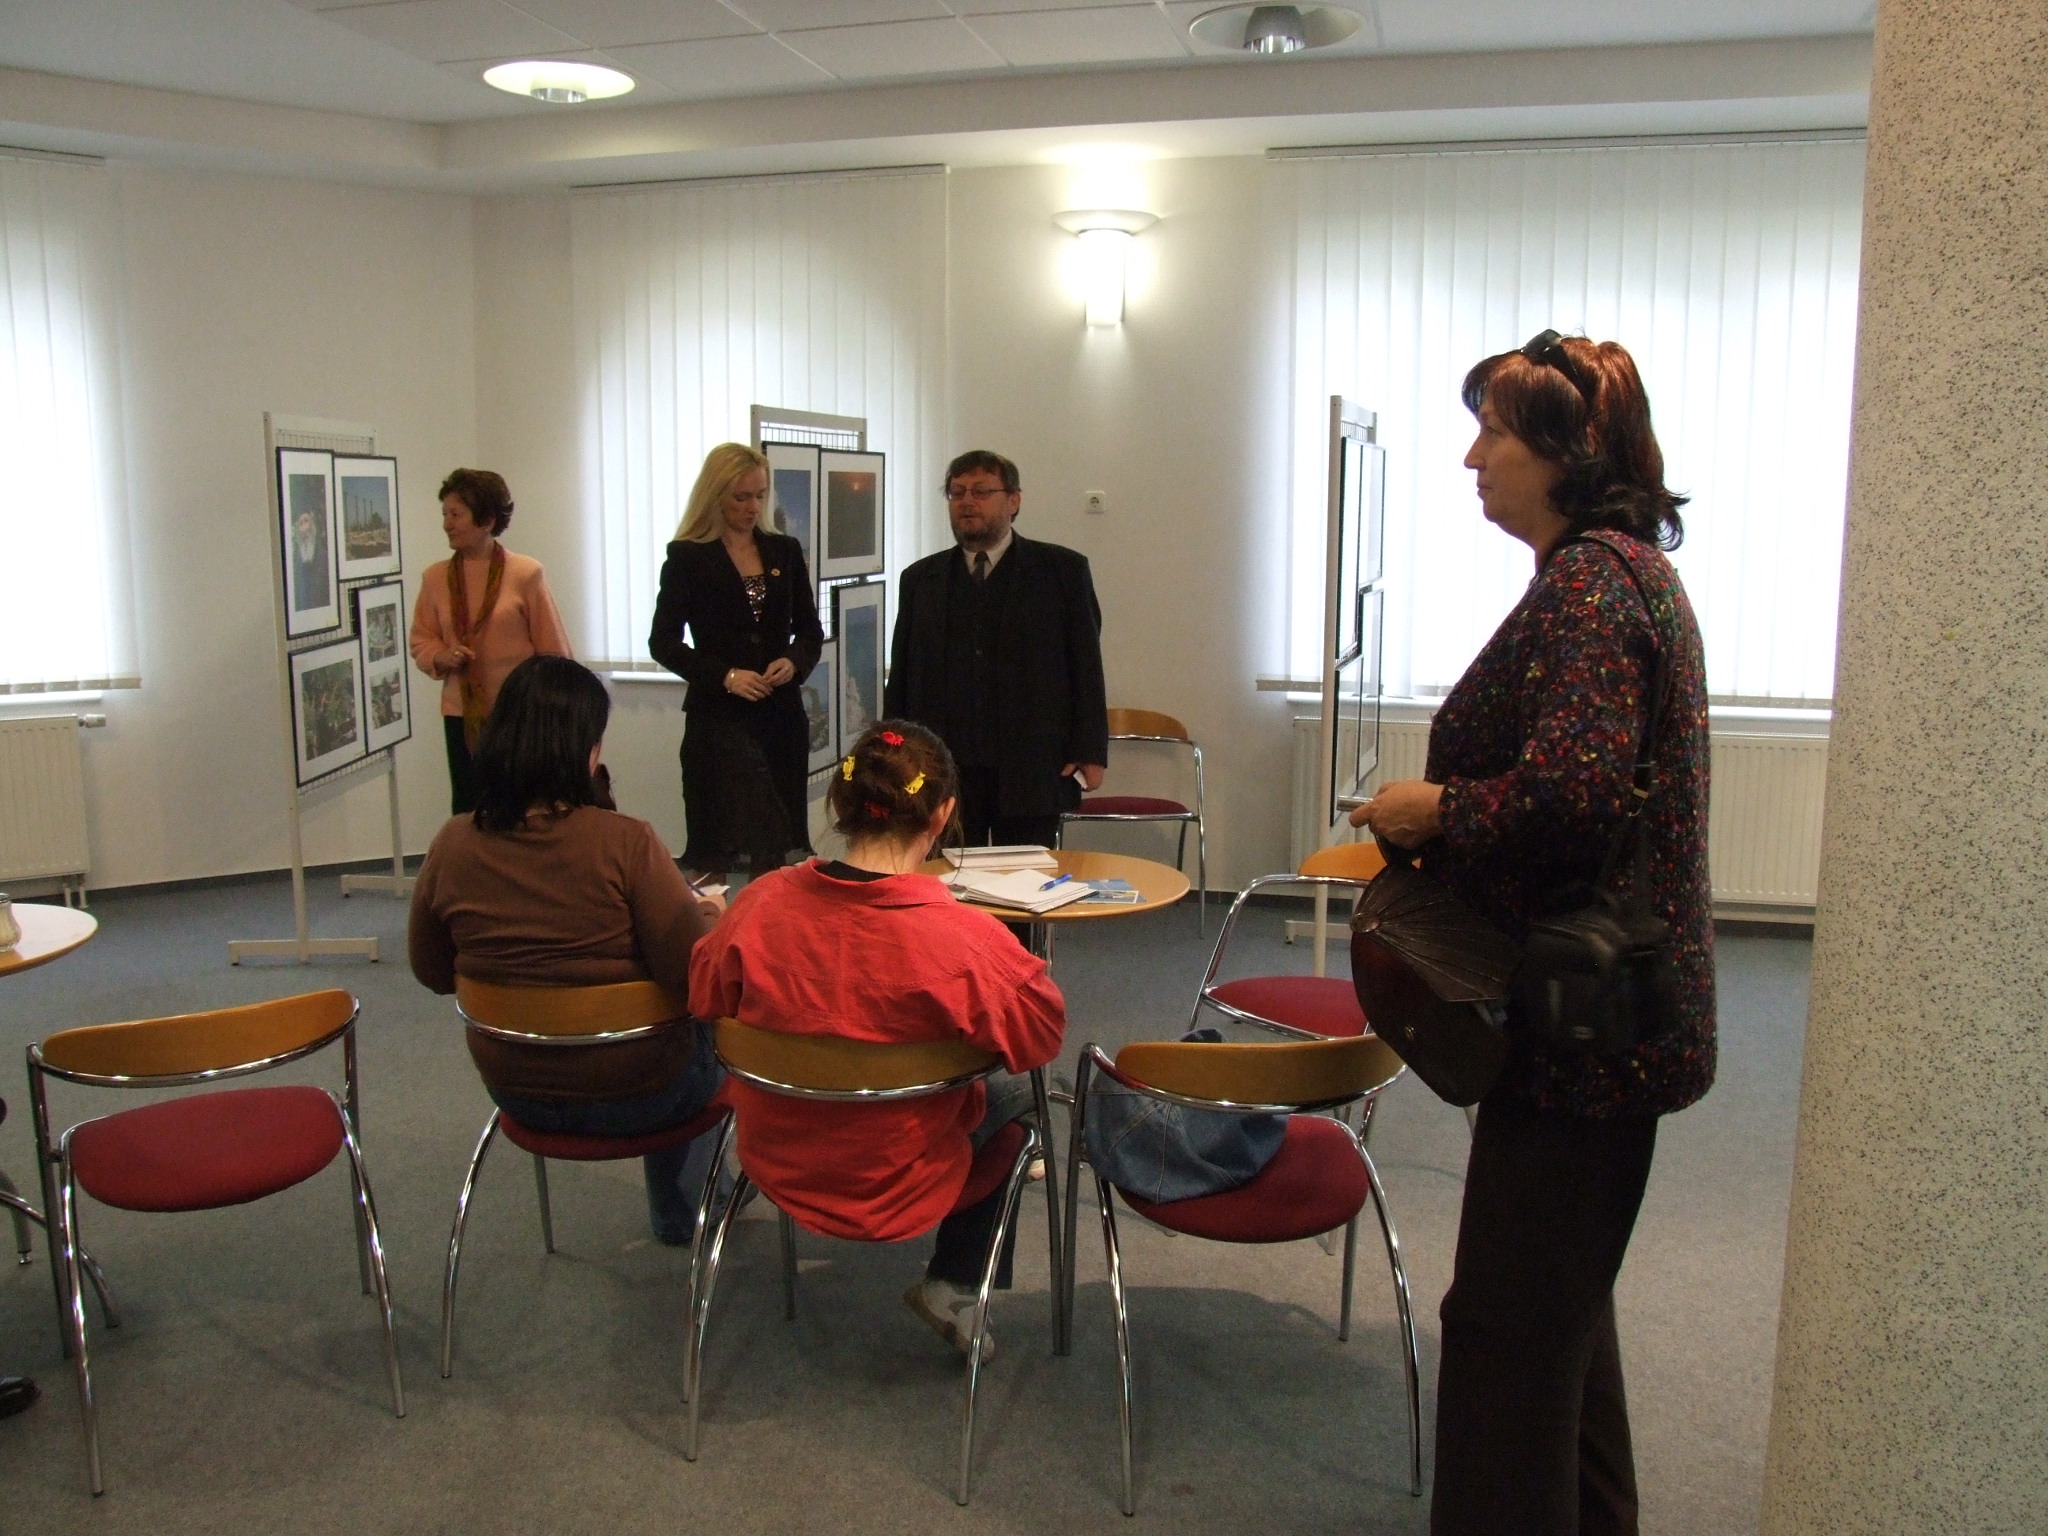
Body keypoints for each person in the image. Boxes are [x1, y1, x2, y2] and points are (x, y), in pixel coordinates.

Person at [1349, 331, 1713, 1536]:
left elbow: (1573, 794)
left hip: (1578, 1031)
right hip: (1601, 1011)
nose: (1471, 458)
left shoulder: (1589, 588)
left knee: (1505, 1334)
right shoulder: (1623, 573)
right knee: (1561, 1315)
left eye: (1492, 434)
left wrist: (1432, 809)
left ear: (1567, 450)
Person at [689, 720, 1065, 1360]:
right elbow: (1041, 1036)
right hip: (908, 1179)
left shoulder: (757, 906)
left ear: (839, 803)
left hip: (780, 1161)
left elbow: (703, 996)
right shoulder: (968, 941)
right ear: (943, 814)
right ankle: (954, 1284)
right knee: (1028, 1096)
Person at [408, 655, 727, 1246]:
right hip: (644, 1091)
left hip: (515, 1085)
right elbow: (691, 977)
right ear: (584, 749)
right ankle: (688, 1208)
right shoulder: (625, 842)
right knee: (713, 1022)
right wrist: (709, 914)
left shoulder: (451, 844)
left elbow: (431, 972)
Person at [884, 450, 1108, 850]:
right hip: (943, 765)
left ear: (1014, 500)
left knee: (1024, 878)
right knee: (947, 879)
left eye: (981, 491)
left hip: (1032, 762)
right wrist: (893, 751)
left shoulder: (1062, 571)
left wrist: (1090, 748)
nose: (967, 502)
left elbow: (1086, 666)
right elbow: (901, 673)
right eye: (956, 493)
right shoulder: (921, 579)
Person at [649, 443, 823, 881]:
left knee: (778, 845)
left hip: (780, 718)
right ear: (715, 495)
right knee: (717, 845)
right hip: (718, 721)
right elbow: (663, 642)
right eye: (741, 497)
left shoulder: (784, 550)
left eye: (760, 495)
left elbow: (810, 631)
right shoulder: (688, 557)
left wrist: (793, 661)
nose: (753, 507)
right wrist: (725, 676)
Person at [410, 468, 573, 816]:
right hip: (462, 714)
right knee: (471, 810)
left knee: (522, 808)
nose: (446, 524)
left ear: (487, 520)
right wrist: (441, 656)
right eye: (444, 514)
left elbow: (554, 653)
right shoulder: (435, 577)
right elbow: (421, 639)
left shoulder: (526, 573)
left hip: (519, 716)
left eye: (456, 515)